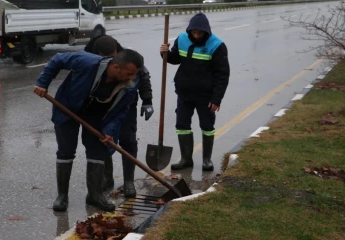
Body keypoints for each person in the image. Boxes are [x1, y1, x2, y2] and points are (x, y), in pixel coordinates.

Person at [33, 49, 144, 212]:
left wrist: (110, 131)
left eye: (134, 74)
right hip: (68, 109)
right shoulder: (87, 62)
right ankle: (62, 196)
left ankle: (94, 195)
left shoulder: (129, 85)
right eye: (129, 73)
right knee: (66, 151)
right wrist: (43, 83)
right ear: (115, 68)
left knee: (97, 152)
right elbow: (57, 59)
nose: (131, 78)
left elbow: (122, 110)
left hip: (97, 116)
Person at [84, 35, 154, 198]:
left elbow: (143, 76)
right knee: (103, 140)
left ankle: (128, 181)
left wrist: (147, 100)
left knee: (128, 140)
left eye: (112, 55)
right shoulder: (89, 57)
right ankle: (107, 178)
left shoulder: (127, 57)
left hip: (126, 104)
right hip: (101, 106)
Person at [159, 12, 230, 171]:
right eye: (194, 32)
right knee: (182, 125)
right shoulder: (182, 38)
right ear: (189, 30)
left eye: (200, 33)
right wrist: (165, 53)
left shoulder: (217, 45)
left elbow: (222, 75)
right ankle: (186, 159)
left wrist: (217, 99)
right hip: (184, 93)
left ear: (206, 31)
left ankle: (206, 159)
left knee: (207, 126)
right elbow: (175, 59)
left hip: (206, 96)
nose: (196, 35)